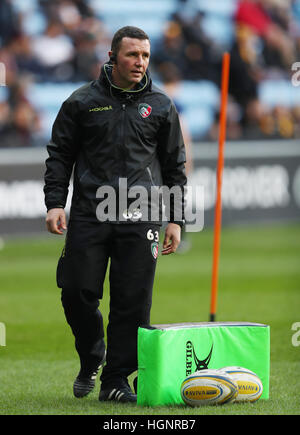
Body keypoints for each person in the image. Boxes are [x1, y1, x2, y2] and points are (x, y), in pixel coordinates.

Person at [44, 26, 187, 404]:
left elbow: (175, 166)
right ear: (112, 57)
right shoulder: (81, 102)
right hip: (91, 213)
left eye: (144, 56)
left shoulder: (161, 104)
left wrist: (175, 218)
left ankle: (115, 380)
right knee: (76, 291)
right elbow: (59, 155)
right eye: (132, 55)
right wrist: (55, 203)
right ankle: (92, 354)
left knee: (132, 301)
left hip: (143, 215)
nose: (140, 62)